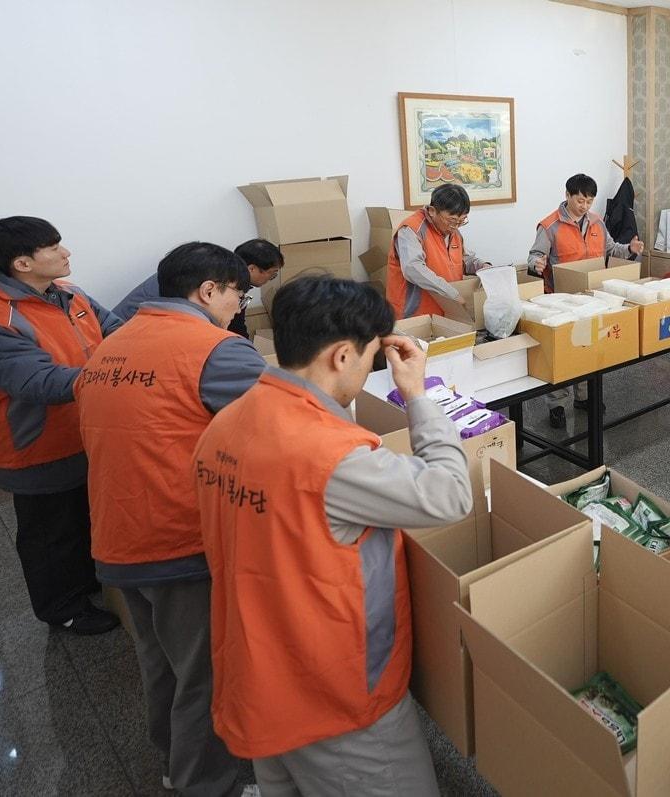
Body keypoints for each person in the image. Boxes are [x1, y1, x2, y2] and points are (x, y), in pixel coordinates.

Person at [194, 276, 474, 796]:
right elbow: (452, 494)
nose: (370, 369)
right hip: (332, 692)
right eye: (370, 357)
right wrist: (416, 392)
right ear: (343, 356)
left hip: (258, 672)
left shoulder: (229, 422)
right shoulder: (331, 456)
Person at [75, 242, 265, 797]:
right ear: (209, 291)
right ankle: (205, 783)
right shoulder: (217, 351)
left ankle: (171, 761)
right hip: (179, 539)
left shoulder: (114, 343)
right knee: (206, 673)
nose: (239, 307)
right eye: (239, 293)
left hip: (117, 533)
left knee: (160, 661)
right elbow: (285, 427)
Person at [0, 217, 122, 634]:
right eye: (53, 248)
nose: (66, 252)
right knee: (50, 534)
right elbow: (40, 382)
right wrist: (119, 380)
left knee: (83, 517)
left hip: (86, 430)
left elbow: (116, 332)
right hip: (36, 446)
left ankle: (89, 582)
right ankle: (62, 609)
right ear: (22, 263)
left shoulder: (70, 294)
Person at [528, 174, 644, 429]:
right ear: (568, 195)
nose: (585, 206)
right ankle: (556, 405)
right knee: (560, 355)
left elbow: (612, 249)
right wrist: (536, 263)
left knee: (587, 350)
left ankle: (584, 397)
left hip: (592, 299)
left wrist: (631, 250)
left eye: (589, 201)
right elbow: (535, 255)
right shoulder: (549, 226)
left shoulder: (597, 222)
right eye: (580, 200)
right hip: (560, 302)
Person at [114, 238, 284, 335]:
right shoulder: (217, 282)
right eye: (273, 274)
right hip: (123, 332)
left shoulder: (220, 273)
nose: (239, 308)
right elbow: (233, 329)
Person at [388, 183, 491, 320]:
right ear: (432, 211)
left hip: (445, 311)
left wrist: (483, 266)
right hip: (414, 315)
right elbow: (413, 268)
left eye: (462, 221)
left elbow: (462, 260)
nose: (455, 226)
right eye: (452, 220)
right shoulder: (411, 230)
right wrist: (451, 293)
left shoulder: (453, 231)